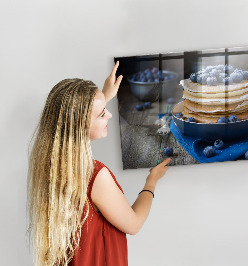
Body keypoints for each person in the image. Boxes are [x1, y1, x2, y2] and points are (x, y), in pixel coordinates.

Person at [27, 62, 171, 266]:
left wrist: (104, 96)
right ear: (81, 124)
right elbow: (134, 224)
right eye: (102, 113)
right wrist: (151, 181)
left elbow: (76, 118)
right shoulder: (95, 176)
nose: (110, 115)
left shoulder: (50, 165)